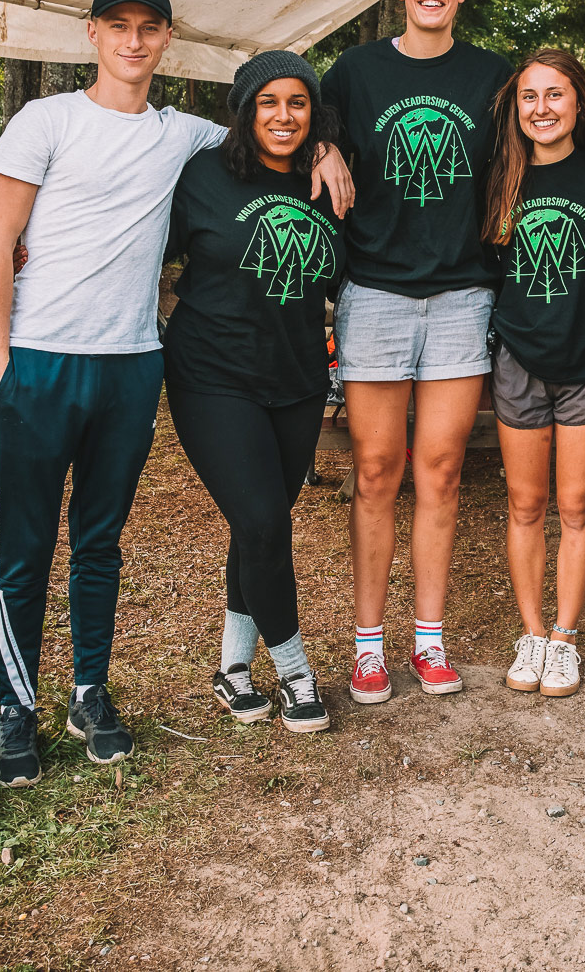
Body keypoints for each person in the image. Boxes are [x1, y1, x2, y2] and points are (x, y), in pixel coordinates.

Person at [0, 0, 349, 788]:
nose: (134, 40)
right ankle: (15, 707)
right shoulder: (46, 120)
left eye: (149, 27)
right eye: (119, 24)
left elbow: (269, 125)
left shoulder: (182, 136)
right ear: (94, 34)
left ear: (167, 40)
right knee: (25, 548)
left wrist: (323, 141)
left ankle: (88, 692)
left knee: (100, 542)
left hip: (135, 363)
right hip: (40, 359)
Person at [321, 0, 512, 704]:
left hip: (464, 293)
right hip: (376, 291)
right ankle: (369, 647)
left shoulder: (492, 76)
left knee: (440, 470)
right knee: (376, 471)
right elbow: (291, 114)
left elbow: (543, 134)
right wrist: (321, 149)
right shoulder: (356, 73)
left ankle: (427, 641)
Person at [163, 51, 343, 733]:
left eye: (297, 103)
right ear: (244, 111)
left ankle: (232, 669)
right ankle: (296, 670)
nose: (283, 115)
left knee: (255, 523)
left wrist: (327, 150)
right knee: (267, 521)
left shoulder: (326, 179)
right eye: (268, 102)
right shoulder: (204, 177)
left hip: (296, 377)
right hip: (212, 373)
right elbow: (142, 246)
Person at [480, 49, 585, 700]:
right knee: (526, 503)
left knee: (577, 503)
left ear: (578, 101)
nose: (542, 108)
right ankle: (531, 633)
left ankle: (565, 637)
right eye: (530, 96)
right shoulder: (502, 176)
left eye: (555, 95)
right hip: (519, 361)